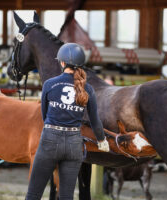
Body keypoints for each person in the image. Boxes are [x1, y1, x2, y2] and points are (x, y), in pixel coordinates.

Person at [25, 43, 110, 200]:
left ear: (62, 63)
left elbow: (44, 115)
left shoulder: (49, 84)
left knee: (33, 194)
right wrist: (102, 140)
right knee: (66, 196)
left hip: (50, 140)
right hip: (74, 144)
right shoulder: (88, 89)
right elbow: (95, 120)